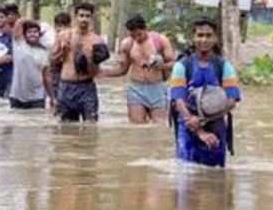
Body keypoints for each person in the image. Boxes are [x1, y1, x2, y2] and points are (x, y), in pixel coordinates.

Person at [170, 18, 241, 168]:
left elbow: (232, 101)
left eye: (209, 35)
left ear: (216, 38)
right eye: (200, 35)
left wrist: (203, 119)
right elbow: (178, 101)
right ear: (193, 38)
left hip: (216, 125)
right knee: (186, 175)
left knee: (216, 175)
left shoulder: (224, 66)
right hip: (187, 123)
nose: (204, 39)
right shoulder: (182, 66)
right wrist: (198, 129)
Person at [101, 14, 176, 123]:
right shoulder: (127, 44)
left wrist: (161, 66)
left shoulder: (160, 40)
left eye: (139, 34)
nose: (137, 38)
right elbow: (122, 69)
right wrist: (102, 72)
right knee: (137, 128)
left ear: (145, 28)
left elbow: (174, 63)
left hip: (157, 88)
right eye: (133, 35)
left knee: (159, 127)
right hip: (136, 89)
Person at [53, 2, 109, 122]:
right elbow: (52, 61)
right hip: (66, 86)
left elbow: (96, 72)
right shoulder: (64, 36)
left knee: (91, 125)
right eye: (81, 15)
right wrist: (63, 52)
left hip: (86, 87)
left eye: (87, 16)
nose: (84, 19)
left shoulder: (97, 40)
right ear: (75, 17)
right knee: (66, 129)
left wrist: (90, 60)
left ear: (91, 18)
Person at [8, 18, 54, 109]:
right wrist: (34, 21)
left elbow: (47, 77)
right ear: (24, 35)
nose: (32, 34)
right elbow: (19, 22)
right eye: (29, 32)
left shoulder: (44, 52)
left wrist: (52, 97)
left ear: (39, 34)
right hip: (16, 96)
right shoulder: (19, 44)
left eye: (35, 32)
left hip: (37, 98)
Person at [50, 11, 72, 98]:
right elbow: (52, 61)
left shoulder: (72, 40)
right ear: (55, 27)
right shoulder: (52, 41)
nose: (61, 29)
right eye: (59, 26)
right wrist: (62, 53)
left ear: (69, 26)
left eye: (65, 26)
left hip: (69, 80)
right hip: (56, 79)